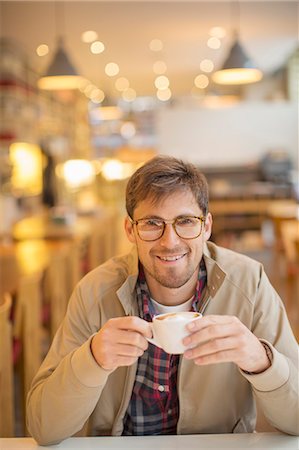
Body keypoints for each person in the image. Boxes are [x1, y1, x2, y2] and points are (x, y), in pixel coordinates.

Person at [27, 156, 299, 445]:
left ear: (206, 226)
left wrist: (260, 360)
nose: (170, 241)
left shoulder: (249, 283)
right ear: (130, 230)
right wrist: (92, 358)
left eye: (185, 221)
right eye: (152, 223)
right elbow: (45, 429)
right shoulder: (95, 291)